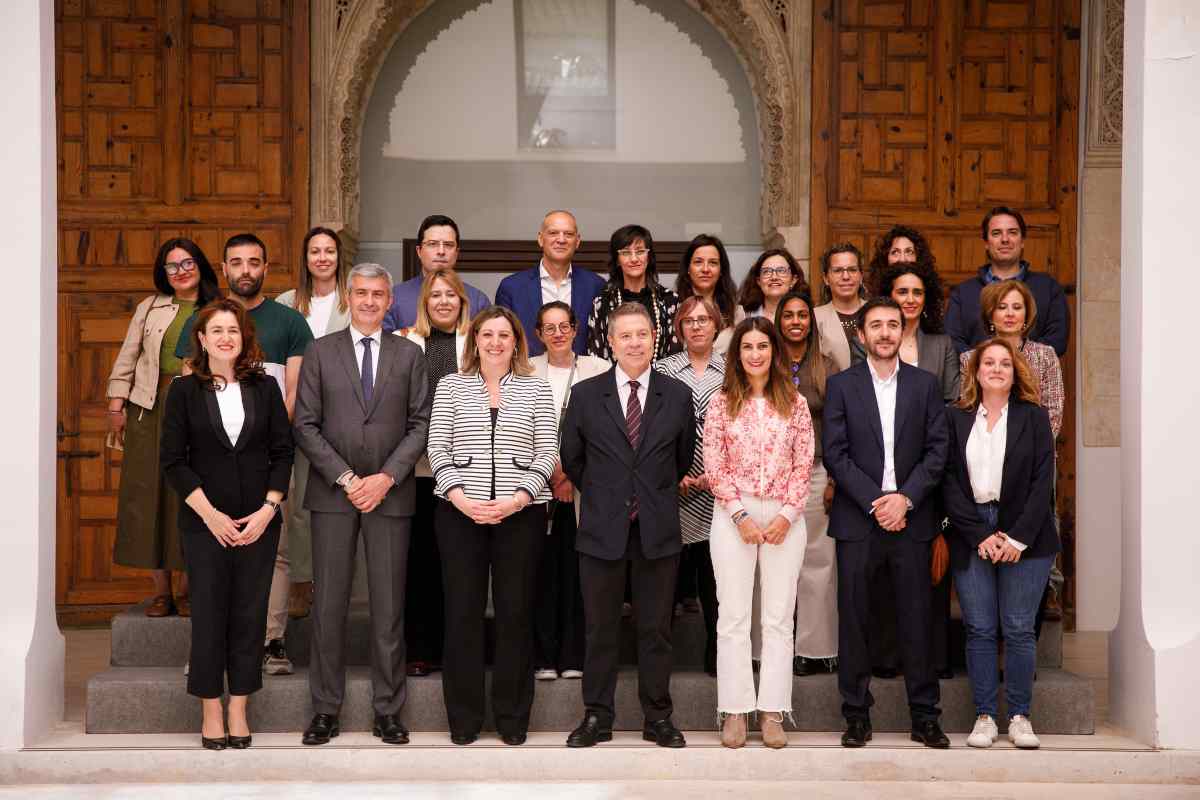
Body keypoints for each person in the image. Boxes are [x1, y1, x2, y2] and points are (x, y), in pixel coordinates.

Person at [293, 263, 431, 747]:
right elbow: (305, 425)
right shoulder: (319, 351)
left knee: (389, 607)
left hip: (390, 495)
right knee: (328, 606)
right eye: (362, 293)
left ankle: (388, 711)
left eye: (378, 294)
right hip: (334, 494)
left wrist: (386, 477)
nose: (370, 301)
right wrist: (349, 478)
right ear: (348, 297)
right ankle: (325, 710)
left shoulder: (409, 354)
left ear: (391, 300)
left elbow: (421, 423)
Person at [175, 233, 314, 675]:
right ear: (225, 266)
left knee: (273, 551)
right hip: (210, 468)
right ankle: (209, 651)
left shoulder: (288, 321)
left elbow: (292, 393)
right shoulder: (203, 317)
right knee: (212, 556)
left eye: (254, 262)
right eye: (237, 262)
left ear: (266, 267)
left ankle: (270, 640)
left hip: (268, 459)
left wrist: (265, 443)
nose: (246, 270)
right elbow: (189, 391)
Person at [159, 298, 294, 750]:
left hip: (259, 521)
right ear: (201, 339)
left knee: (249, 615)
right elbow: (174, 462)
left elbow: (283, 452)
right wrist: (211, 514)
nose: (225, 338)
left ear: (244, 337)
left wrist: (268, 509)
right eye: (216, 330)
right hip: (204, 523)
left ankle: (239, 704)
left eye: (232, 330)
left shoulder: (266, 388)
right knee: (210, 614)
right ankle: (210, 707)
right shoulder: (182, 390)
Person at [562, 302, 696, 749]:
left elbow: (680, 459)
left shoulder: (676, 395)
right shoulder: (585, 394)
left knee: (655, 629)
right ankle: (596, 716)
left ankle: (658, 717)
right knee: (599, 628)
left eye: (642, 334)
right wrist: (609, 495)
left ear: (654, 337)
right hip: (602, 529)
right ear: (611, 342)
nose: (635, 342)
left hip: (657, 531)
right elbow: (573, 460)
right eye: (626, 336)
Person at [426, 306, 558, 746]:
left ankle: (512, 718)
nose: (496, 342)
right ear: (475, 340)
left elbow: (547, 452)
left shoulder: (537, 389)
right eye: (488, 334)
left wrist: (518, 499)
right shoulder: (450, 386)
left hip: (520, 515)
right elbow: (437, 448)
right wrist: (461, 499)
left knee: (515, 615)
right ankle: (463, 720)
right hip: (459, 515)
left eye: (505, 335)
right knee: (461, 614)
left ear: (517, 342)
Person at [823, 297, 950, 749]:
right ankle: (856, 715)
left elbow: (939, 451)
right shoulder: (841, 386)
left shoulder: (925, 385)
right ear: (861, 335)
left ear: (903, 332)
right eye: (875, 325)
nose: (884, 333)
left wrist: (906, 499)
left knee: (916, 619)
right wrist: (879, 502)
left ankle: (924, 716)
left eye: (892, 325)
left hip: (912, 520)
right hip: (859, 520)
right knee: (855, 619)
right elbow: (834, 453)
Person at [944, 338, 1059, 750]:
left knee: (1018, 628)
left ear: (1015, 373)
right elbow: (950, 483)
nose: (996, 369)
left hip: (1025, 533)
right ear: (975, 371)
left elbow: (1041, 482)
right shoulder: (956, 419)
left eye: (1004, 364)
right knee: (979, 628)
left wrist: (1015, 538)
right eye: (988, 363)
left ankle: (1019, 716)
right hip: (972, 529)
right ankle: (985, 716)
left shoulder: (1034, 418)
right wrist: (980, 535)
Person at [704, 317, 814, 749]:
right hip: (735, 513)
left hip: (785, 516)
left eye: (762, 347)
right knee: (732, 616)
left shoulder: (796, 403)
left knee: (778, 618)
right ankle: (733, 709)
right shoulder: (722, 402)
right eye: (747, 347)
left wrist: (787, 514)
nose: (755, 354)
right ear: (737, 355)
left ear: (774, 352)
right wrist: (740, 515)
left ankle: (771, 711)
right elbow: (715, 464)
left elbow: (805, 462)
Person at [108, 237, 220, 617]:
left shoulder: (216, 308)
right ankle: (162, 592)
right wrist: (116, 404)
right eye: (171, 266)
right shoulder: (150, 307)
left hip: (198, 409)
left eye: (187, 263)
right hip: (149, 408)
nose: (180, 271)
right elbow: (129, 355)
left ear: (200, 264)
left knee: (188, 495)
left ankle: (187, 590)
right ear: (163, 272)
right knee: (148, 496)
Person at [867, 230, 960, 681]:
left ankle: (931, 661)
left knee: (929, 570)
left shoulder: (942, 345)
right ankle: (885, 658)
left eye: (916, 292)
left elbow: (951, 404)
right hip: (879, 474)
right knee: (884, 573)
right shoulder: (871, 340)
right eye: (901, 292)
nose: (908, 299)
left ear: (927, 298)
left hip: (929, 472)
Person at [394, 268, 472, 678]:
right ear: (424, 302)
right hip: (416, 472)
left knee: (456, 563)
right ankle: (419, 650)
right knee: (418, 562)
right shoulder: (405, 342)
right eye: (435, 295)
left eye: (451, 295)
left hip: (464, 472)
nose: (443, 301)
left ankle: (452, 648)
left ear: (462, 300)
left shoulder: (477, 342)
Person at [530, 301, 611, 681]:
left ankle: (574, 655)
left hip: (585, 486)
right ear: (539, 334)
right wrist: (549, 472)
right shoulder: (526, 369)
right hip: (536, 488)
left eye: (565, 326)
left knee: (580, 574)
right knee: (541, 572)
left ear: (577, 329)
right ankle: (545, 657)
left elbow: (607, 433)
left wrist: (570, 475)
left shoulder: (600, 369)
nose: (558, 333)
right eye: (550, 328)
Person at [275, 227, 352, 620]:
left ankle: (334, 585)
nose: (322, 258)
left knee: (337, 502)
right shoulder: (287, 303)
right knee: (299, 504)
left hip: (343, 415)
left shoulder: (353, 301)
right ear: (305, 259)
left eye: (329, 251)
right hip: (297, 413)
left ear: (339, 257)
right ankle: (302, 585)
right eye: (314, 251)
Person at [654, 295, 727, 677]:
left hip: (720, 492)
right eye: (689, 320)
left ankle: (719, 661)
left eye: (704, 319)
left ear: (717, 325)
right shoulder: (663, 370)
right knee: (665, 587)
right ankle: (659, 664)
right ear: (679, 328)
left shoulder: (732, 369)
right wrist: (674, 473)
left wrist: (714, 475)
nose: (697, 326)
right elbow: (651, 430)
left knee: (717, 587)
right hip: (673, 491)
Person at [773, 292, 840, 678]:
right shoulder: (766, 360)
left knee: (818, 561)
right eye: (789, 315)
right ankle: (769, 649)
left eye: (802, 315)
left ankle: (815, 650)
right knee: (774, 563)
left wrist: (832, 477)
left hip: (815, 471)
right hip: (770, 474)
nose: (796, 321)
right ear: (779, 321)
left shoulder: (827, 366)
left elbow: (835, 425)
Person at [944, 206, 1070, 356]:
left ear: (1022, 241)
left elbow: (1057, 340)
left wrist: (1014, 364)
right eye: (996, 233)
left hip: (1032, 377)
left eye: (1012, 232)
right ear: (986, 242)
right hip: (978, 376)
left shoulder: (1049, 288)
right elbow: (952, 343)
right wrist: (986, 363)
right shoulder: (962, 293)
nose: (1005, 239)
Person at [962, 279, 1064, 439]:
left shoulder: (1045, 355)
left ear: (1026, 314)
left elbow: (1054, 414)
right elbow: (967, 410)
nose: (1010, 313)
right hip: (983, 448)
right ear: (990, 315)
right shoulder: (970, 359)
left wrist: (1024, 451)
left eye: (1017, 307)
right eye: (1002, 307)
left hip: (1034, 454)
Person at [495, 210, 605, 356]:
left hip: (582, 375)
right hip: (527, 374)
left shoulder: (596, 286)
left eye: (568, 234)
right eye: (553, 233)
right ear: (541, 239)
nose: (561, 239)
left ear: (577, 241)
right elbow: (503, 340)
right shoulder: (511, 288)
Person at [382, 214, 491, 333]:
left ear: (456, 253)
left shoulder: (477, 301)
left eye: (448, 245)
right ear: (419, 251)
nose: (441, 251)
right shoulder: (394, 298)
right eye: (432, 244)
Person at [585, 225, 680, 363]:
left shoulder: (670, 301)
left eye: (640, 251)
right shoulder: (602, 303)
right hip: (612, 382)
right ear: (617, 260)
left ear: (649, 256)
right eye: (626, 253)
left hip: (660, 382)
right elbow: (596, 358)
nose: (634, 259)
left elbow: (675, 356)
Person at [674, 234, 744, 356]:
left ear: (721, 270)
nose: (705, 269)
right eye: (698, 262)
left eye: (713, 262)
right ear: (688, 269)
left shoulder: (736, 313)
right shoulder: (673, 308)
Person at [813, 243, 868, 371]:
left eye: (852, 270)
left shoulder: (877, 312)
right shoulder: (815, 317)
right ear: (826, 278)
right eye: (837, 270)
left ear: (861, 276)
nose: (846, 276)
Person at [737, 248, 805, 321]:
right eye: (767, 272)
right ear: (758, 281)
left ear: (793, 280)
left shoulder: (805, 317)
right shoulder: (744, 316)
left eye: (781, 271)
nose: (774, 277)